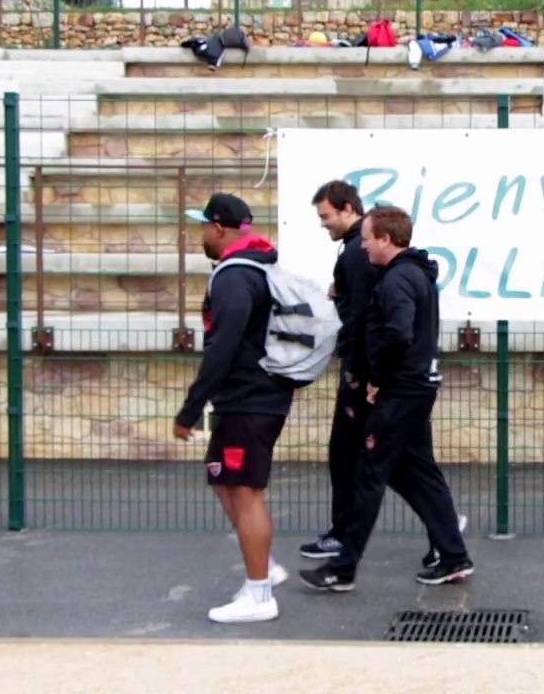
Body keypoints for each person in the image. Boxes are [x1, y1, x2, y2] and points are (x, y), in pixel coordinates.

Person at [299, 206, 473, 592]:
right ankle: (453, 554)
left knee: (369, 473)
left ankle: (343, 568)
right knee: (414, 471)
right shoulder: (413, 274)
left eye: (367, 239)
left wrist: (377, 378)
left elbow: (397, 334)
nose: (362, 247)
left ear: (386, 239)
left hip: (402, 390)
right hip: (416, 385)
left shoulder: (397, 281)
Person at [173, 193, 295, 624]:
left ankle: (260, 594)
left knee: (245, 490)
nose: (201, 233)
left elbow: (222, 346)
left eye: (204, 225)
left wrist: (190, 409)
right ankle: (265, 565)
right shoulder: (256, 266)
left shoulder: (233, 277)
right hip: (249, 398)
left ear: (219, 227)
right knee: (224, 480)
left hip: (250, 400)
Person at [300, 180, 375, 560]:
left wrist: (358, 372)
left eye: (327, 216)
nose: (324, 224)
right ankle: (444, 532)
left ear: (348, 209)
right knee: (406, 460)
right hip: (372, 368)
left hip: (362, 371)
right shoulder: (357, 250)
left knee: (346, 452)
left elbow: (361, 316)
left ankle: (343, 535)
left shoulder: (356, 253)